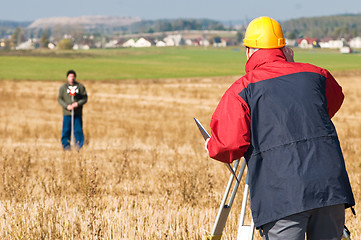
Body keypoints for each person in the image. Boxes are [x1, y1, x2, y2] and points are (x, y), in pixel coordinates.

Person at [205, 16, 354, 240]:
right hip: (330, 189)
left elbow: (228, 145)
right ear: (284, 48)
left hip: (283, 197)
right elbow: (327, 106)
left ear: (249, 51)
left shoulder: (242, 89)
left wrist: (210, 144)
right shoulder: (317, 75)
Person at [58, 70, 87, 150]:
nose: (72, 78)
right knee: (66, 130)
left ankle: (79, 146)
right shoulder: (63, 87)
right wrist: (66, 106)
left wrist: (77, 104)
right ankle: (66, 146)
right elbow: (60, 99)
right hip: (67, 113)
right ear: (67, 77)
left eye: (73, 76)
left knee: (78, 130)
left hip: (77, 113)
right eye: (70, 76)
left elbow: (84, 98)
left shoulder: (80, 87)